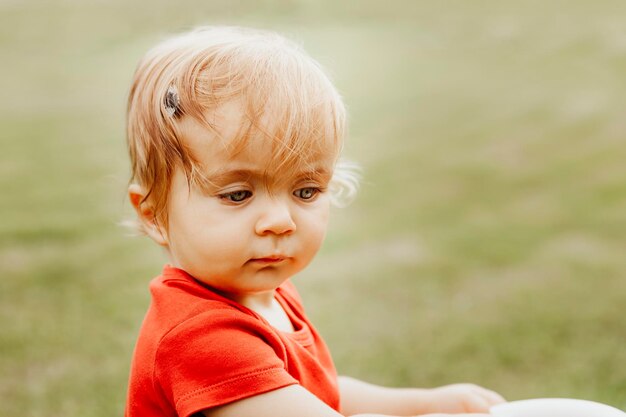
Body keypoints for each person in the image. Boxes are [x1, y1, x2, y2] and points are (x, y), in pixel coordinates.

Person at [124, 26, 506, 417]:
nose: (279, 221)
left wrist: (422, 404)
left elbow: (314, 392)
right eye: (237, 194)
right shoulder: (198, 338)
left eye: (305, 191)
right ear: (153, 214)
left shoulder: (265, 293)